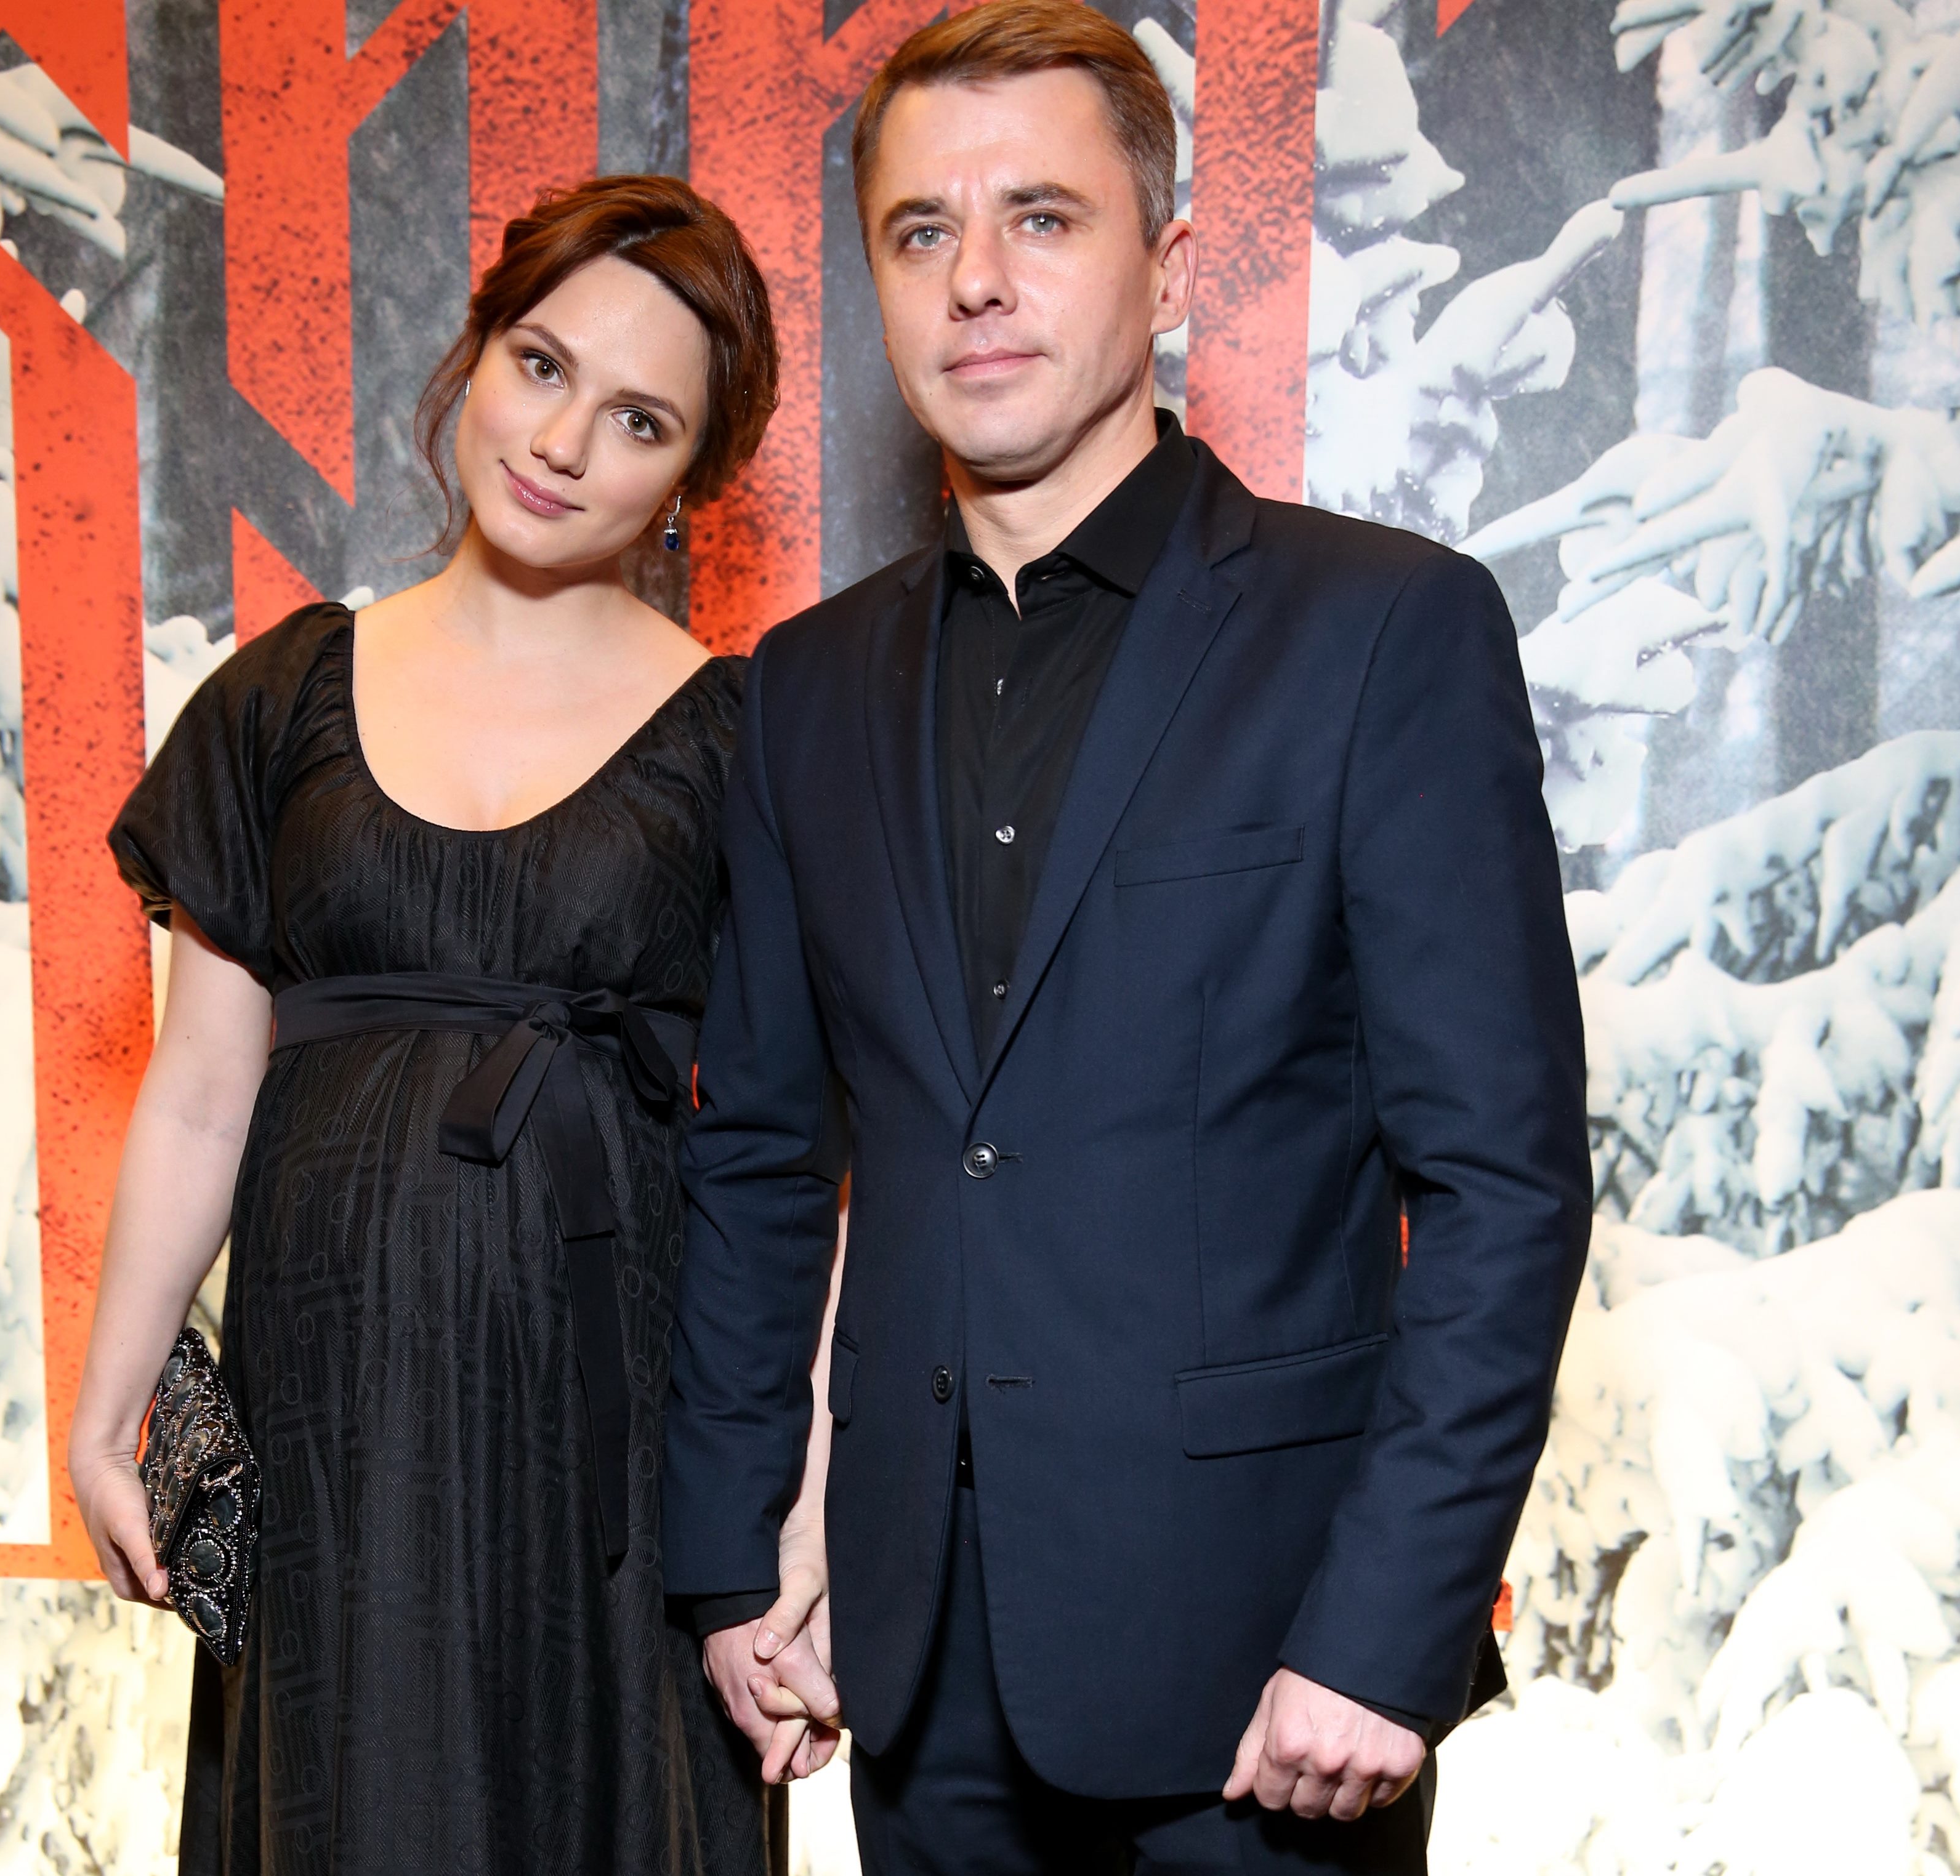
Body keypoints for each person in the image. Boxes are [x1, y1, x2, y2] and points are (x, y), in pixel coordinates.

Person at [661, 5, 1592, 1872]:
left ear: (1166, 271)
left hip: (1270, 1696)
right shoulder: (804, 690)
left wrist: (1384, 1636)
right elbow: (759, 1154)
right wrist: (736, 1551)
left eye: (1042, 218)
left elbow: (1501, 1183)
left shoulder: (1379, 633)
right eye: (920, 231)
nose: (976, 280)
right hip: (916, 1678)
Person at [68, 174, 781, 1876]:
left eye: (640, 421)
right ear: (474, 349)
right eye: (542, 365)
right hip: (329, 1412)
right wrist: (112, 1400)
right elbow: (199, 1089)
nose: (563, 443)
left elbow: (794, 1154)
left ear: (691, 479)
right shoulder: (278, 696)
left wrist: (789, 1506)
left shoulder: (742, 740)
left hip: (611, 1433)